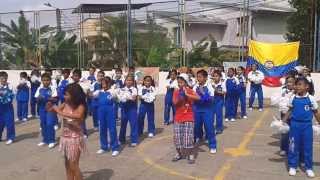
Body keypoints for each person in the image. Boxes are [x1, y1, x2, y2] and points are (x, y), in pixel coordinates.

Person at [48, 83, 87, 180]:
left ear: (74, 95)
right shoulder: (65, 104)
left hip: (75, 138)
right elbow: (51, 110)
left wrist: (59, 111)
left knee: (73, 165)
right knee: (67, 163)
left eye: (66, 94)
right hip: (65, 138)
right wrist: (49, 106)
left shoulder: (80, 106)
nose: (64, 96)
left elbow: (78, 116)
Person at [283, 77, 320, 178]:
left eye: (299, 84)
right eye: (296, 84)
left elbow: (316, 112)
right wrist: (283, 122)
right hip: (294, 125)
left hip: (307, 126)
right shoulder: (293, 98)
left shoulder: (311, 99)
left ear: (306, 87)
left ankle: (309, 167)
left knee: (308, 147)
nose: (296, 86)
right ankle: (293, 166)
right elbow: (290, 111)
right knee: (293, 146)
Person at [172, 73, 199, 164]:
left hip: (189, 117)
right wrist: (180, 96)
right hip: (178, 118)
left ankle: (190, 154)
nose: (180, 84)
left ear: (186, 83)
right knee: (177, 138)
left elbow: (198, 97)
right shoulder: (176, 91)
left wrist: (187, 94)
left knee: (188, 137)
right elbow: (175, 102)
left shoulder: (190, 90)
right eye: (178, 83)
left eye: (182, 83)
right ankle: (179, 153)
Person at [94, 77, 120, 156]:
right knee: (102, 129)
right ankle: (104, 147)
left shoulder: (112, 91)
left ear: (109, 84)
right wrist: (86, 89)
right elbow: (91, 95)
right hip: (101, 112)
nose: (104, 85)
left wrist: (116, 95)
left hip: (110, 112)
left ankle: (115, 148)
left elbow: (118, 100)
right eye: (102, 83)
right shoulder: (99, 92)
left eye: (105, 83)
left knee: (112, 130)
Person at [193, 70, 217, 154]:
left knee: (209, 127)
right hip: (197, 109)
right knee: (197, 126)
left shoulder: (210, 86)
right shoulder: (195, 86)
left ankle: (213, 145)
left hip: (207, 110)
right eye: (197, 76)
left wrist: (203, 93)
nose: (198, 78)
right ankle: (199, 137)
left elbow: (211, 98)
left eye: (200, 77)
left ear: (205, 78)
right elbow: (192, 96)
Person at [35, 73, 58, 148]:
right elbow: (36, 98)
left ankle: (51, 140)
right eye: (44, 80)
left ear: (50, 80)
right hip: (41, 109)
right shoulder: (39, 89)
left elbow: (55, 99)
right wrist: (39, 98)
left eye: (47, 80)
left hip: (50, 109)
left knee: (49, 124)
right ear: (41, 81)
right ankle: (45, 139)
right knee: (43, 124)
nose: (46, 82)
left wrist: (48, 98)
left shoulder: (53, 88)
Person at [119, 75, 139, 146]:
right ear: (125, 81)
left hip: (132, 109)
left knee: (133, 124)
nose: (129, 82)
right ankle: (121, 139)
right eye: (127, 80)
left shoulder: (134, 89)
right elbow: (119, 98)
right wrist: (121, 98)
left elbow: (133, 98)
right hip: (124, 109)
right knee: (123, 124)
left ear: (133, 82)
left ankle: (134, 140)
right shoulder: (121, 89)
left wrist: (127, 97)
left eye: (131, 80)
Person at [278, 76, 295, 156]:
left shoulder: (297, 91)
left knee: (294, 133)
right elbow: (280, 102)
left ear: (294, 83)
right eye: (288, 82)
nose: (289, 83)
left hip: (295, 114)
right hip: (284, 113)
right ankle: (283, 148)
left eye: (291, 82)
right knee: (284, 131)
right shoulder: (283, 91)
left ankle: (292, 149)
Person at [70, 69, 88, 138]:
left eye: (77, 76)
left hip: (81, 103)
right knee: (74, 118)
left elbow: (85, 92)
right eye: (74, 76)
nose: (75, 77)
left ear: (80, 77)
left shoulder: (83, 84)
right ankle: (75, 131)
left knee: (81, 118)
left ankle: (84, 132)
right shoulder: (71, 84)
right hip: (73, 103)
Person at [0, 71, 15, 145]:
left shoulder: (10, 86)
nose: (4, 80)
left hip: (8, 108)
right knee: (0, 124)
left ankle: (11, 137)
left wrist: (6, 95)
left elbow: (13, 95)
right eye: (2, 78)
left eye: (5, 78)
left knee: (10, 123)